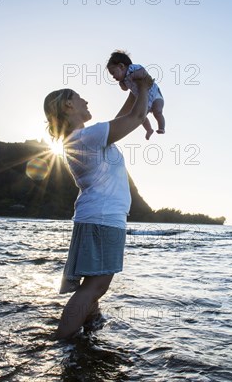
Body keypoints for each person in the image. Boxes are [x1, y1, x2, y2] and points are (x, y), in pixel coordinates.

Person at [43, 71, 153, 340]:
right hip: (103, 218)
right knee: (96, 286)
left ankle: (89, 334)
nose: (86, 101)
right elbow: (136, 119)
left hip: (94, 217)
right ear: (68, 105)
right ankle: (62, 343)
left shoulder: (82, 138)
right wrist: (145, 85)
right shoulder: (87, 137)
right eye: (80, 98)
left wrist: (134, 92)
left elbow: (122, 119)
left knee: (91, 285)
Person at [107, 50, 165, 140]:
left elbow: (142, 72)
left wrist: (133, 76)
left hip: (155, 95)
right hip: (144, 98)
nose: (113, 77)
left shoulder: (132, 68)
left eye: (113, 73)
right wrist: (122, 85)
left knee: (157, 111)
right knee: (141, 116)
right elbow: (125, 89)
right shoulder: (124, 80)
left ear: (121, 66)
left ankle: (161, 127)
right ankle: (149, 130)